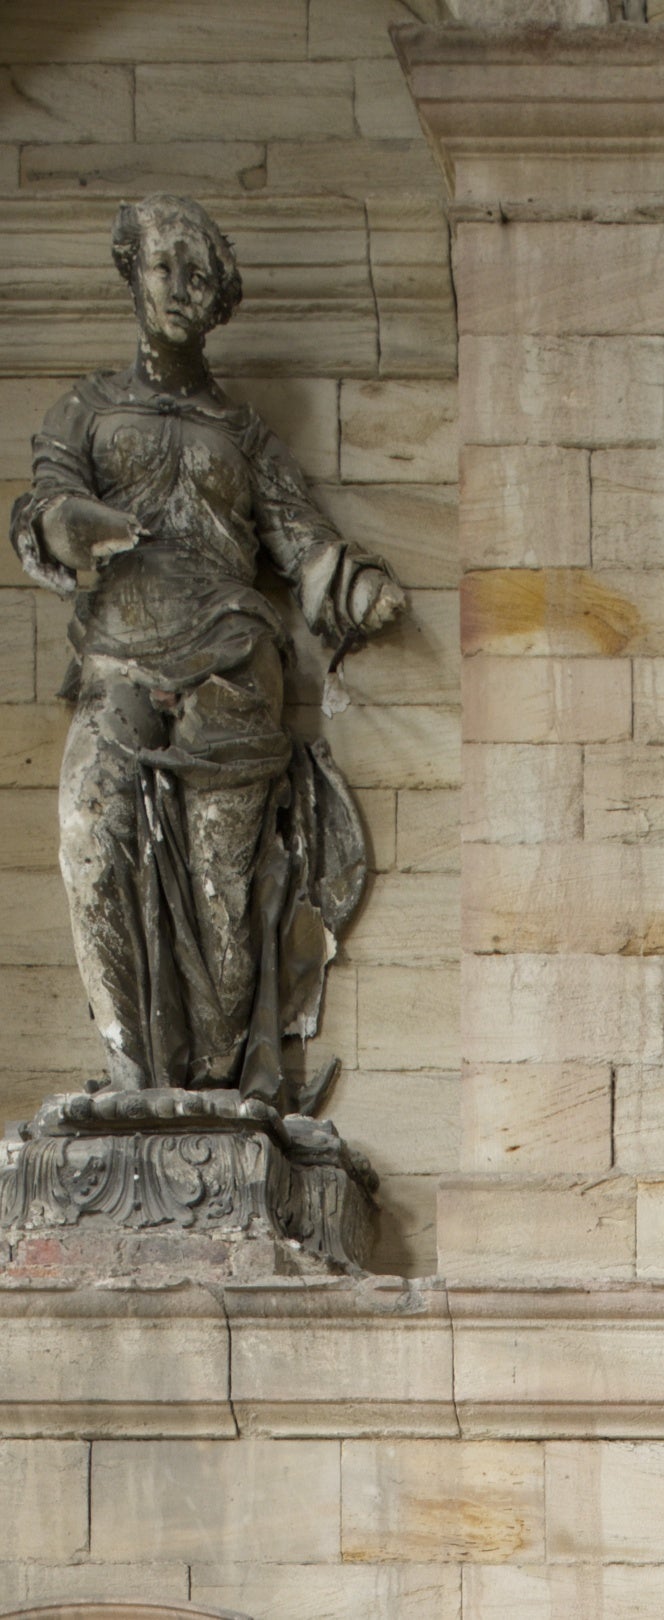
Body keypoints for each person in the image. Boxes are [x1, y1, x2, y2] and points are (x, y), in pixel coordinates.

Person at [10, 195, 406, 1100]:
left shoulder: (244, 434)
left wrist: (353, 588)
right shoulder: (86, 409)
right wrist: (67, 527)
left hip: (232, 667)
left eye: (200, 275)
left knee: (226, 922)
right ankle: (128, 1070)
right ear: (131, 273)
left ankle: (222, 1085)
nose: (180, 289)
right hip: (120, 659)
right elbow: (41, 505)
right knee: (93, 840)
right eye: (163, 267)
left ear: (221, 297)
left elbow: (302, 543)